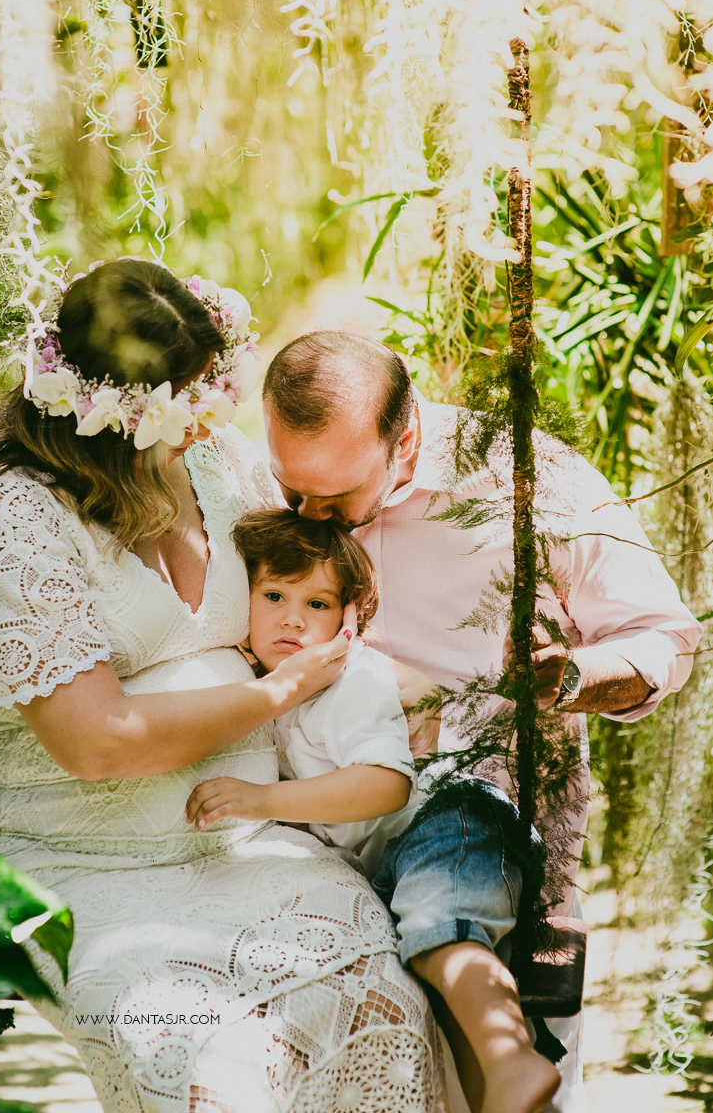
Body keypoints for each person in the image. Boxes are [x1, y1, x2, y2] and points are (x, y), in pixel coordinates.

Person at [0, 264, 452, 1113]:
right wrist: (272, 699)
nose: (210, 409)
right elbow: (95, 741)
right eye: (187, 395)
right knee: (205, 1064)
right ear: (112, 404)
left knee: (375, 1009)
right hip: (86, 862)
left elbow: (315, 584)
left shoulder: (216, 463)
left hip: (258, 847)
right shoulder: (17, 512)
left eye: (211, 384)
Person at [261, 329, 704, 1113]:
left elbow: (663, 637)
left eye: (334, 497)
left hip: (475, 835)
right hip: (314, 847)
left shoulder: (528, 477)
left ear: (404, 444)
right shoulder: (282, 492)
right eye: (293, 490)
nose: (309, 515)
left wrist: (567, 677)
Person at [186, 507, 562, 1113]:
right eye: (275, 594)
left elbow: (385, 786)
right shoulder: (272, 690)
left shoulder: (349, 680)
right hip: (402, 853)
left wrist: (263, 801)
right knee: (436, 973)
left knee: (444, 925)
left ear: (348, 620)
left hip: (451, 820)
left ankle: (510, 1058)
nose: (292, 618)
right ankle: (505, 1094)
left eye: (318, 604)